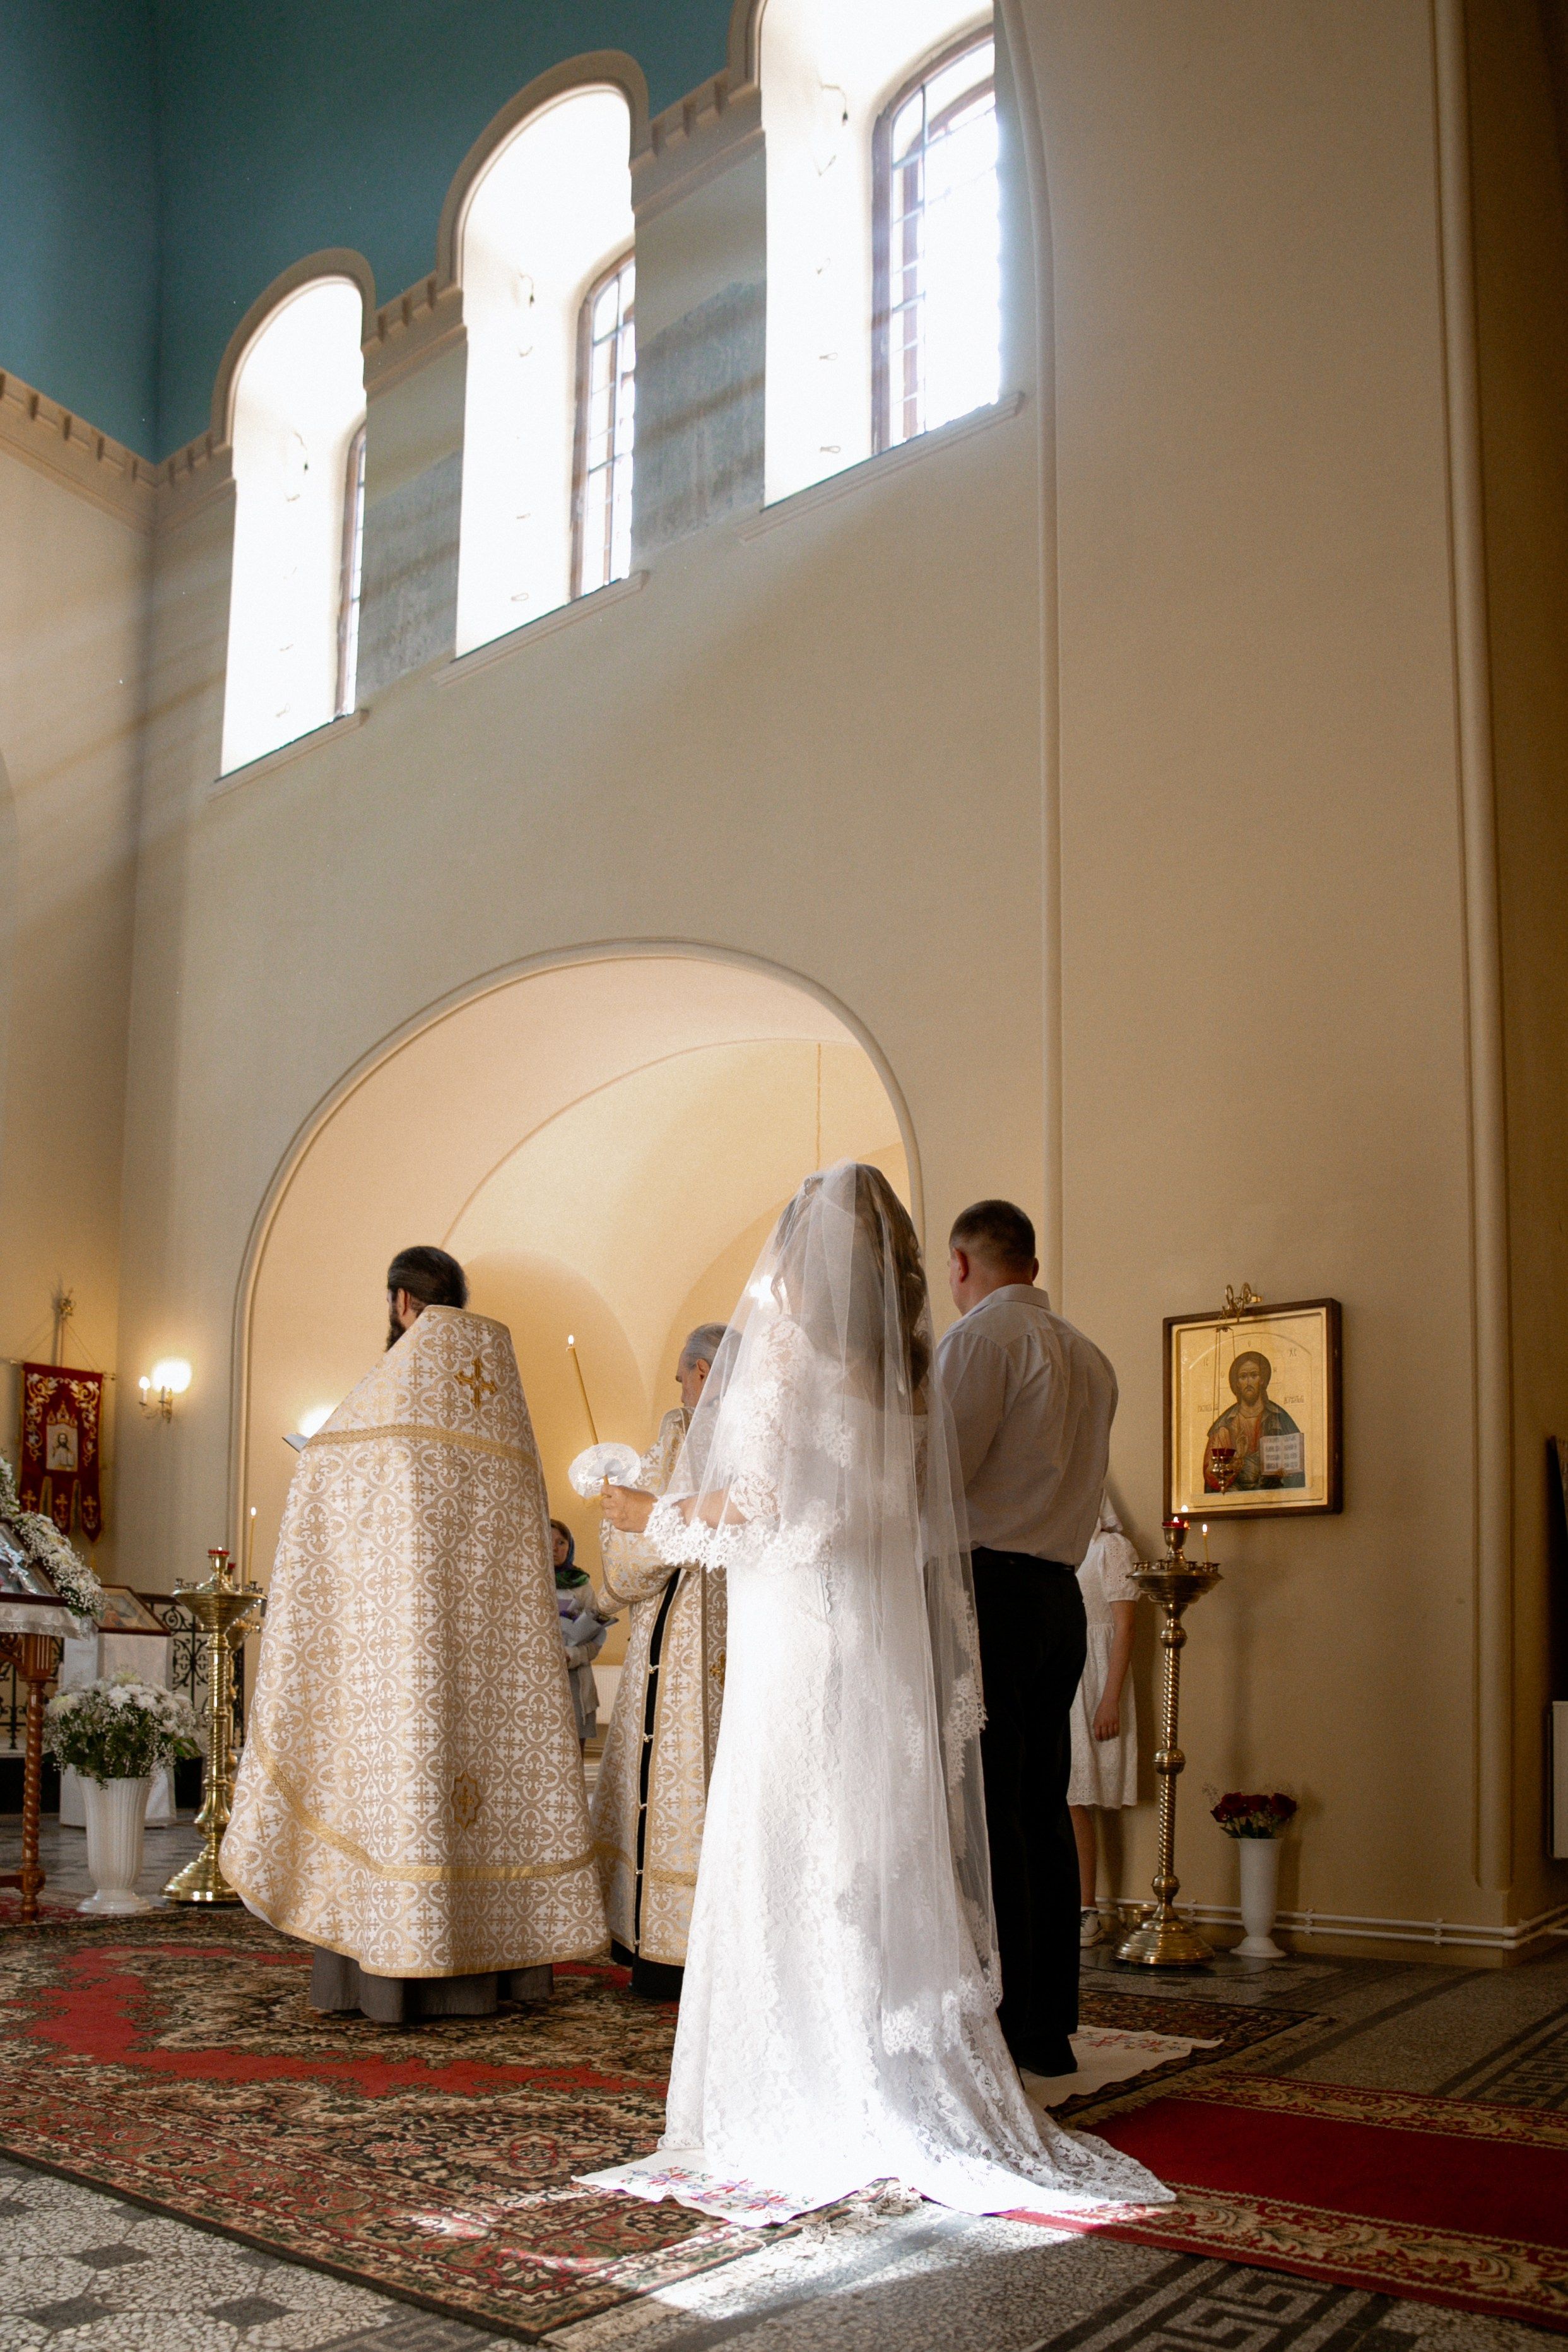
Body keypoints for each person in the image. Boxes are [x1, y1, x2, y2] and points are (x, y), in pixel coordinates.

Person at [600, 1164, 1165, 2216]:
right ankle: (988, 2033)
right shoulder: (908, 1367)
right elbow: (878, 1496)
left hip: (820, 1634)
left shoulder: (828, 1358)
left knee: (804, 1841)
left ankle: (808, 2075)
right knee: (935, 1831)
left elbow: (774, 1504)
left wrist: (650, 1508)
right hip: (912, 1624)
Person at [223, 1245, 607, 2022]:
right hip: (488, 1672)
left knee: (396, 1796)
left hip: (400, 1667)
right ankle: (502, 1974)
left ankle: (389, 1977)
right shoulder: (506, 1416)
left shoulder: (385, 1405)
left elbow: (326, 1482)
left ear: (402, 1303)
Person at [937, 1200, 1117, 2079]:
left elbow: (941, 1475)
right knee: (1043, 1812)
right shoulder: (1090, 1354)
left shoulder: (981, 1340)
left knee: (992, 1812)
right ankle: (1049, 2023)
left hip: (990, 1591)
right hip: (1059, 1592)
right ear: (1031, 1262)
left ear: (962, 1263)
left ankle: (1005, 2019)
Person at [590, 1325, 729, 2000]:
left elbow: (632, 1544)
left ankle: (671, 1956)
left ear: (700, 1371)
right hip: (680, 1639)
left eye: (682, 1376)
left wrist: (640, 1518)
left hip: (699, 1643)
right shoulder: (749, 1437)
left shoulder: (682, 1433)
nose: (679, 1390)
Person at [1068, 1492, 1141, 1947]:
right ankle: (1065, 1903)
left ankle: (1086, 1908)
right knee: (1058, 1794)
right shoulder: (1059, 1550)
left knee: (1073, 1795)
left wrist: (1109, 1698)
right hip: (1060, 1674)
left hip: (1093, 1681)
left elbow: (1125, 1627)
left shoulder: (1111, 1549)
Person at [1203, 1351, 1305, 1490]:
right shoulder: (1225, 1425)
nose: (1249, 1382)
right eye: (1243, 1377)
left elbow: (1296, 1470)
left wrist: (1285, 1474)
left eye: (1254, 1375)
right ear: (1237, 1383)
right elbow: (1212, 1475)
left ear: (1262, 1380)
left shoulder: (1280, 1418)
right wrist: (1234, 1465)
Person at [552, 1518, 613, 1749]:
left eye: (561, 1542)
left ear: (570, 1547)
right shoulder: (528, 1583)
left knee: (573, 1753)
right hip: (536, 1679)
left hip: (575, 1681)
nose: (555, 1549)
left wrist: (571, 1655)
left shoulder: (582, 1586)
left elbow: (595, 1639)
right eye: (547, 1542)